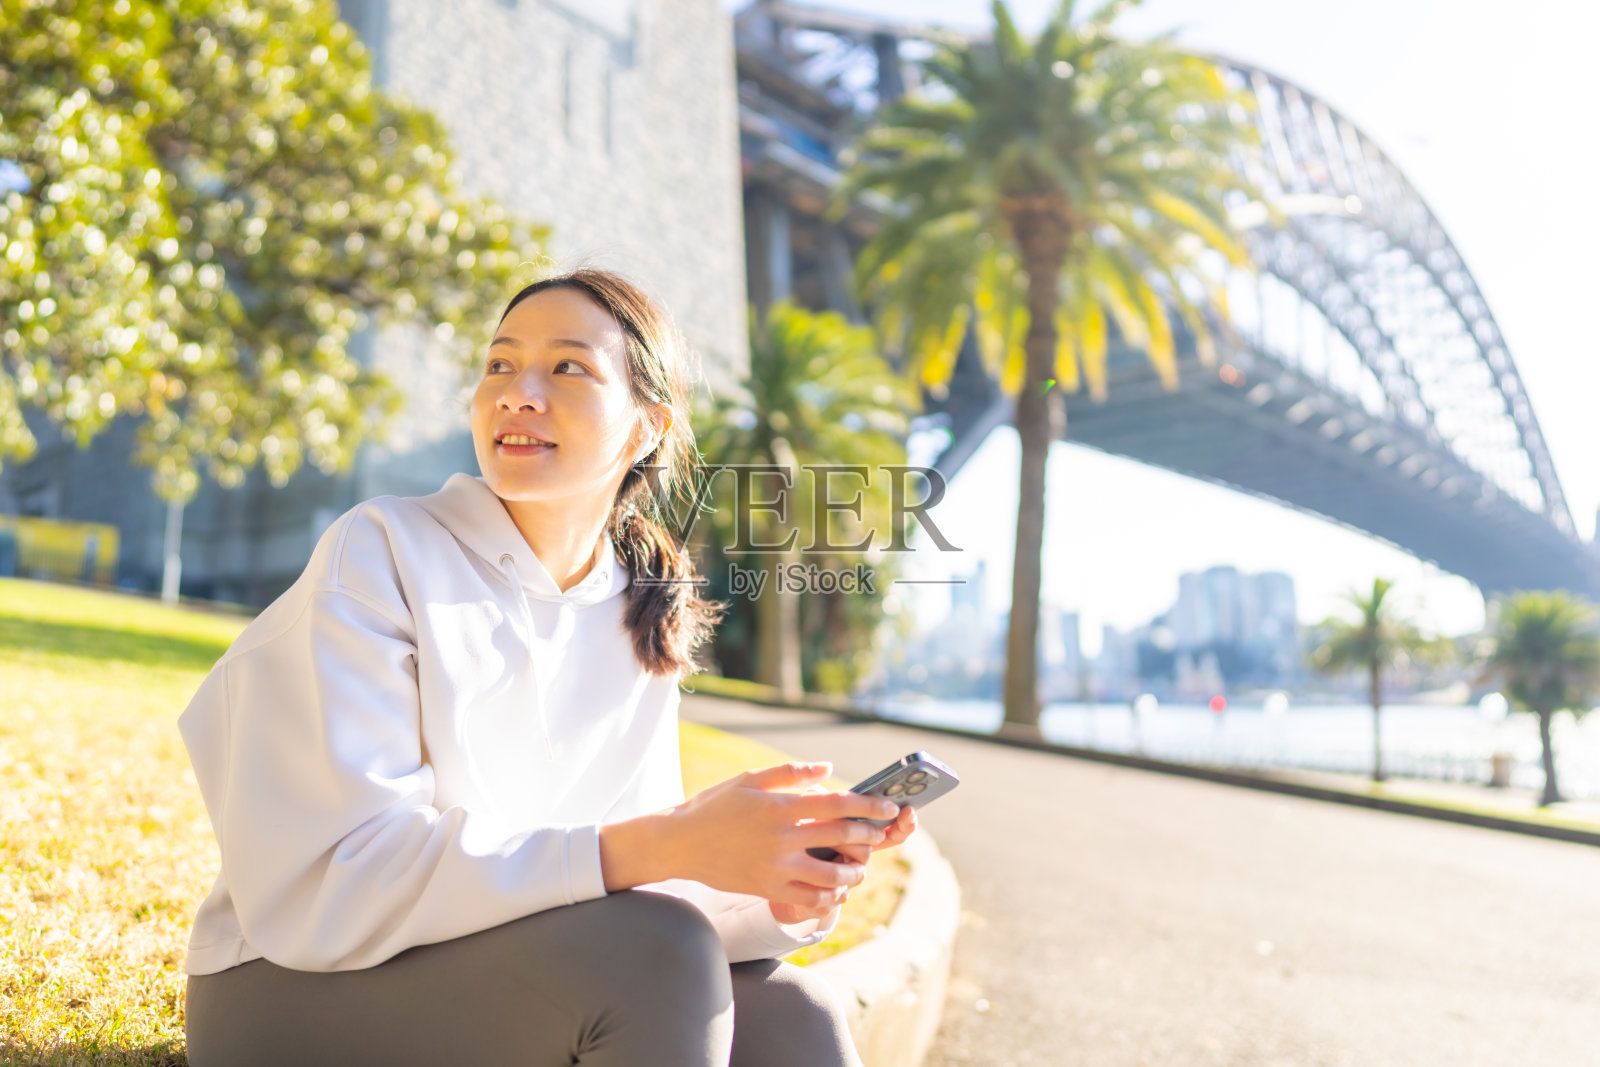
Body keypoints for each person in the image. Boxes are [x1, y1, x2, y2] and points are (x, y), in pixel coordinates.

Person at [177, 268, 918, 1066]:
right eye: (500, 363)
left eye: (567, 367)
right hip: (294, 988)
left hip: (516, 972)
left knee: (793, 1008)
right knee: (652, 952)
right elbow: (345, 880)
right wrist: (665, 841)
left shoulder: (638, 608)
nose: (517, 392)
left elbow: (635, 890)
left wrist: (775, 884)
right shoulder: (385, 548)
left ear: (645, 428)